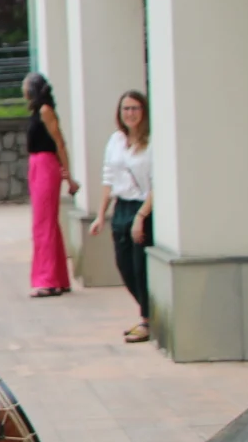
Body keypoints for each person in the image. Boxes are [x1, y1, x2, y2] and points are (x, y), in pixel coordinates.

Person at [87, 92, 153, 343]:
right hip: (121, 207)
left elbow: (157, 182)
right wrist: (100, 216)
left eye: (135, 108)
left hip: (142, 208)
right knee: (124, 266)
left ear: (144, 111)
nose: (130, 113)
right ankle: (148, 314)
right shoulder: (116, 140)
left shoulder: (151, 142)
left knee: (140, 267)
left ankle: (147, 320)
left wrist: (141, 216)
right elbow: (108, 178)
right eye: (126, 108)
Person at [23, 73, 78, 297]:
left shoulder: (45, 111)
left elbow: (59, 142)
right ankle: (59, 278)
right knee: (48, 223)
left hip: (46, 166)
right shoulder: (39, 111)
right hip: (38, 165)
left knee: (43, 224)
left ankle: (47, 280)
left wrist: (68, 176)